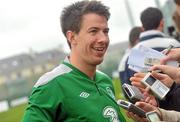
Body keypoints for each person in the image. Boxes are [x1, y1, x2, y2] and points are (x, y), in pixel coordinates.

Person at [22, 1, 126, 122]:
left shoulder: (105, 80)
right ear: (72, 37)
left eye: (105, 31)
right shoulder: (51, 85)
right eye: (93, 31)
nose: (103, 39)